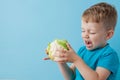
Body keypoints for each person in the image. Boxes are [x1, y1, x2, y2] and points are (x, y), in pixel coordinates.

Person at [44, 2, 119, 80]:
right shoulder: (82, 51)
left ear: (108, 35)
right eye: (83, 30)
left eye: (92, 32)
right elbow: (71, 77)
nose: (85, 35)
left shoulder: (109, 55)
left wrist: (76, 59)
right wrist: (60, 60)